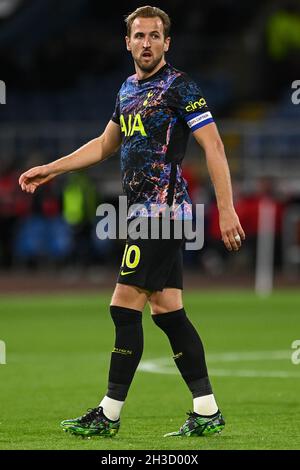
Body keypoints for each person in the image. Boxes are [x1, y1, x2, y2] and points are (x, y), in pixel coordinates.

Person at [19, 6, 245, 438]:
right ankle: (207, 409)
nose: (146, 43)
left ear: (167, 42)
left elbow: (214, 146)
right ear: (127, 42)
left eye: (154, 36)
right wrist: (53, 167)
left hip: (163, 214)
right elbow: (105, 144)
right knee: (168, 312)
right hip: (142, 214)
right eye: (139, 36)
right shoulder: (126, 89)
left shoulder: (180, 87)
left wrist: (227, 207)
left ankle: (108, 414)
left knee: (123, 305)